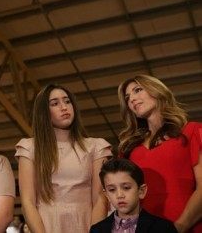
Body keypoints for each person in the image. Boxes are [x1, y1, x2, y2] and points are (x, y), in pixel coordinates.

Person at [15, 84, 112, 233]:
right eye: (55, 103)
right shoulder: (29, 148)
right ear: (43, 112)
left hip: (86, 223)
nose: (64, 107)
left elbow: (100, 199)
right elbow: (28, 202)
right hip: (46, 225)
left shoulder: (96, 146)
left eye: (67, 101)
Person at [118, 74, 202, 233]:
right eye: (128, 97)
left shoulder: (193, 131)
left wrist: (178, 227)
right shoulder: (128, 149)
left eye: (138, 90)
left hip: (187, 226)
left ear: (157, 91)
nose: (132, 99)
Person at [90, 158, 178, 233]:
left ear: (141, 191)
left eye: (126, 187)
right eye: (112, 190)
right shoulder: (97, 230)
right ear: (107, 195)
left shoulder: (163, 228)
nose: (119, 195)